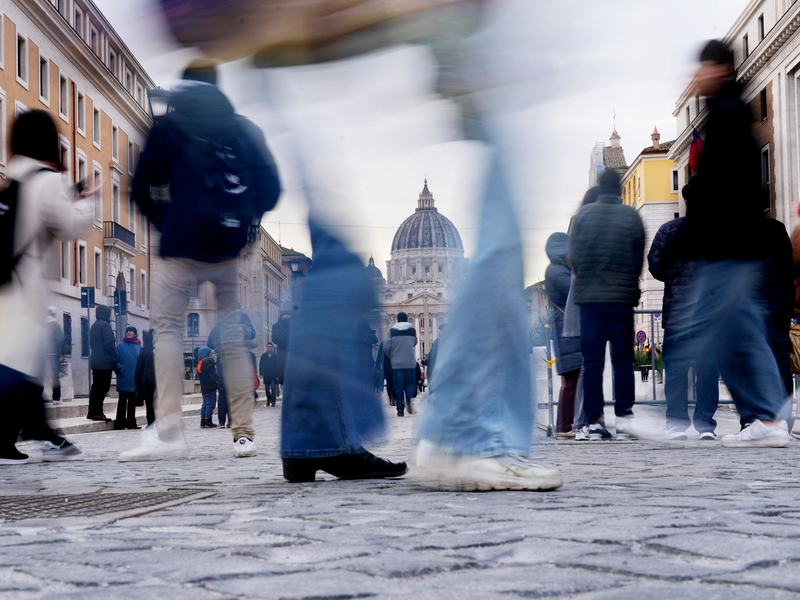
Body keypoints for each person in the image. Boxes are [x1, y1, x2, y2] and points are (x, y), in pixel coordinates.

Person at [122, 60, 280, 461]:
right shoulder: (244, 129)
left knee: (169, 331)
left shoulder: (169, 126)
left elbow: (139, 187)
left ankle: (170, 429)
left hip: (181, 246)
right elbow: (271, 189)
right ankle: (244, 433)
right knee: (231, 340)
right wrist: (246, 221)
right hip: (228, 247)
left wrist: (170, 221)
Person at [0, 110, 91, 463]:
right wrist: (87, 202)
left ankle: (37, 435)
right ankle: (45, 435)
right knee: (20, 367)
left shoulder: (15, 179)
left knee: (21, 364)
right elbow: (68, 225)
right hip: (23, 291)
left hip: (5, 286)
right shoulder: (47, 181)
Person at [570, 168, 645, 441]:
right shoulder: (632, 216)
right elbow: (638, 258)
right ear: (620, 190)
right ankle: (625, 419)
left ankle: (594, 422)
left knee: (592, 363)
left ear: (600, 189)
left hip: (590, 300)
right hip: (621, 299)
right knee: (623, 361)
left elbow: (574, 257)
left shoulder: (584, 216)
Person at [648, 212, 720, 440]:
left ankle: (676, 423)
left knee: (676, 370)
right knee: (707, 370)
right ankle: (706, 425)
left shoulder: (669, 230)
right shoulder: (721, 231)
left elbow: (655, 267)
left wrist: (674, 274)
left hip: (678, 311)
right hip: (709, 312)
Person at [544, 233, 582, 440]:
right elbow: (574, 291)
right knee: (570, 380)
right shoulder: (557, 272)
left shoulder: (559, 270)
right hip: (566, 330)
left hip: (567, 329)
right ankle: (564, 427)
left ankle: (566, 425)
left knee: (572, 380)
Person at [383, 312, 418, 417]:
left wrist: (392, 355)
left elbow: (386, 346)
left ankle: (400, 409)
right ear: (407, 319)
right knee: (411, 383)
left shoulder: (392, 331)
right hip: (410, 362)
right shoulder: (412, 331)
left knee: (398, 385)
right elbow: (415, 342)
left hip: (396, 362)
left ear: (397, 320)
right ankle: (408, 399)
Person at [88, 304, 116, 422]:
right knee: (103, 388)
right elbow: (109, 344)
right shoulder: (105, 325)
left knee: (96, 387)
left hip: (95, 361)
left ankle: (91, 411)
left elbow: (91, 343)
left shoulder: (94, 326)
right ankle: (98, 412)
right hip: (104, 362)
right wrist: (115, 358)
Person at [115, 326, 142, 430]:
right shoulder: (120, 346)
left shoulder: (139, 347)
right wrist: (119, 369)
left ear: (135, 333)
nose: (129, 333)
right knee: (122, 401)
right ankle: (120, 424)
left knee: (132, 402)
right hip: (123, 376)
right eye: (127, 331)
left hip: (134, 378)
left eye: (131, 331)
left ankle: (131, 423)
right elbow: (115, 359)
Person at [134, 329, 157, 426]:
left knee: (149, 403)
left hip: (146, 381)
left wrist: (137, 382)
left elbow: (139, 368)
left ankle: (151, 423)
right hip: (158, 380)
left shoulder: (143, 351)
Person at [45, 306, 65, 405]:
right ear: (54, 314)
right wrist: (62, 354)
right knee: (55, 377)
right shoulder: (56, 325)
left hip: (42, 354)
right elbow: (60, 340)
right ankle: (56, 398)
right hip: (53, 354)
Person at [197, 347, 219, 428]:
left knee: (205, 404)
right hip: (210, 387)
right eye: (211, 353)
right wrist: (218, 382)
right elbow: (213, 376)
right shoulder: (209, 364)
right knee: (210, 404)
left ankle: (202, 421)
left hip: (204, 387)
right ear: (207, 354)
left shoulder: (201, 364)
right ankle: (208, 420)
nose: (212, 354)